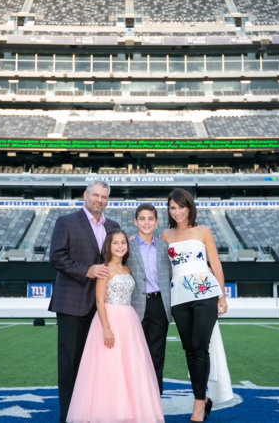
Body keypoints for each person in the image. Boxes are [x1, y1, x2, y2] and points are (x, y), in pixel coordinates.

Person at [66, 229, 164, 423]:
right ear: (108, 247)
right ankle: (108, 413)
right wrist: (106, 328)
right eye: (115, 243)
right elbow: (100, 301)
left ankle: (132, 411)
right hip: (110, 319)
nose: (120, 246)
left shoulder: (127, 269)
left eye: (123, 243)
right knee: (109, 366)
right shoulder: (104, 269)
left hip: (128, 320)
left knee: (131, 367)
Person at [49, 181, 120, 423]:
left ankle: (94, 414)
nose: (99, 200)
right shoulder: (66, 222)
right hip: (73, 303)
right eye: (95, 195)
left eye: (104, 197)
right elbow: (56, 257)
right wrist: (86, 271)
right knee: (70, 365)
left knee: (100, 365)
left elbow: (117, 262)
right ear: (85, 195)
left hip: (105, 307)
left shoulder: (113, 226)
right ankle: (69, 417)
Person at [161, 188, 233, 422]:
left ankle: (199, 404)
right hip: (178, 296)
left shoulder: (203, 231)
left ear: (189, 207)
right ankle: (203, 397)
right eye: (173, 207)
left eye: (181, 206)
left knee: (200, 347)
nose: (177, 211)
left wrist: (221, 296)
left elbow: (216, 264)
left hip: (205, 292)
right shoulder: (165, 236)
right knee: (189, 349)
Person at [127, 203, 173, 395]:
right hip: (134, 305)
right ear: (135, 221)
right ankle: (134, 400)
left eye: (150, 219)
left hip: (159, 304)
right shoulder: (126, 245)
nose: (146, 222)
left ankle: (154, 403)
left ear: (156, 222)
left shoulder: (164, 247)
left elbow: (172, 273)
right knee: (134, 355)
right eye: (142, 219)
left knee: (156, 355)